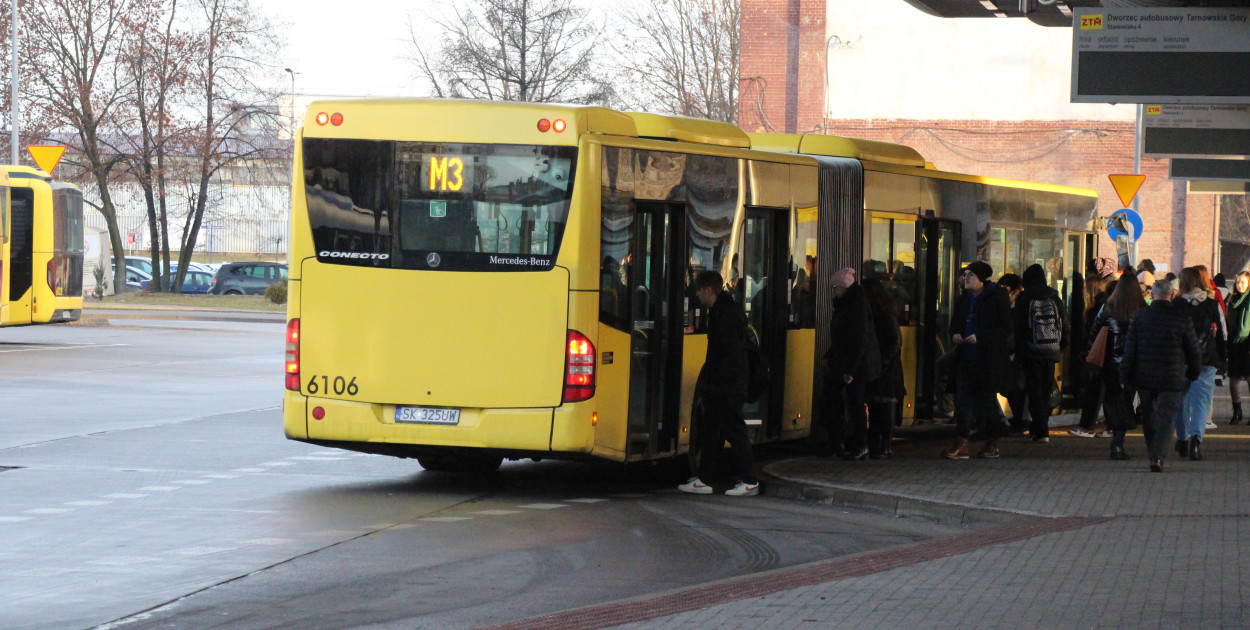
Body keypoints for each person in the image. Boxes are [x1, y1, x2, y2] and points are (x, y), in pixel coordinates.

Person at [679, 270, 759, 496]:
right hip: (723, 383)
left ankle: (749, 480)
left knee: (734, 431)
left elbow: (728, 355)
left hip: (727, 385)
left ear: (709, 291)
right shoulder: (723, 310)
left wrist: (717, 382)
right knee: (711, 431)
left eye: (699, 290)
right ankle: (704, 479)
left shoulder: (724, 315)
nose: (697, 295)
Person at [1121, 279, 1200, 472]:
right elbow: (1193, 349)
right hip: (1172, 376)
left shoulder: (1139, 317)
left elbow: (1129, 350)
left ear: (1152, 295)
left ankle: (1152, 452)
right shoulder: (1181, 317)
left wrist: (1125, 375)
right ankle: (1157, 456)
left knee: (1149, 416)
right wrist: (1193, 371)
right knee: (1166, 417)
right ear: (1172, 294)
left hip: (1145, 376)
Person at [943, 261, 1013, 459]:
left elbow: (1004, 328)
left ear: (982, 280)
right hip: (965, 357)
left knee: (987, 402)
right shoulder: (963, 298)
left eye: (971, 275)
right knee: (962, 400)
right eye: (965, 275)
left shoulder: (997, 297)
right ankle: (962, 442)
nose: (966, 279)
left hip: (988, 360)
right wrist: (956, 334)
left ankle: (992, 442)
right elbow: (955, 323)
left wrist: (981, 337)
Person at [820, 267, 882, 461]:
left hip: (857, 367)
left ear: (844, 287)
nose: (834, 291)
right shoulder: (847, 304)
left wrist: (850, 370)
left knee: (855, 404)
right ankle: (838, 441)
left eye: (835, 287)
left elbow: (859, 341)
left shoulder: (856, 306)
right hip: (843, 362)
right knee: (832, 398)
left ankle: (860, 445)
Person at [1087, 274, 1147, 459]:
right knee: (1127, 399)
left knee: (1113, 399)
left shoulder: (1108, 308)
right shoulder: (1142, 309)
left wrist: (1091, 353)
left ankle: (1115, 434)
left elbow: (1094, 333)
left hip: (1110, 364)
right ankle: (1119, 441)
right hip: (1133, 363)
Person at [1172, 266, 1226, 461]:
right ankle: (1196, 440)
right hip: (1207, 358)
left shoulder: (1176, 304)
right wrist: (1222, 358)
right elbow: (1222, 333)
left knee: (1180, 400)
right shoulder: (1212, 304)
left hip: (1182, 360)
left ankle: (1183, 439)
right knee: (1201, 402)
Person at [1013, 264, 1067, 444]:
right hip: (1051, 350)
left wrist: (1018, 348)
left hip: (1031, 350)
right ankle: (1042, 427)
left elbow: (1018, 325)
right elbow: (1063, 323)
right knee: (1046, 389)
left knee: (1034, 389)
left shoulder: (1025, 297)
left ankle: (1040, 429)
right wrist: (1061, 345)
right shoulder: (1054, 296)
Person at [862, 278, 904, 459]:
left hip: (886, 371)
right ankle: (880, 444)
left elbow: (894, 340)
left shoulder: (884, 315)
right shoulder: (883, 312)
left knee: (882, 408)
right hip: (883, 368)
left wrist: (883, 363)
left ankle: (883, 445)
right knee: (878, 407)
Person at [1071, 272, 1113, 438]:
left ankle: (1088, 426)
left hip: (1099, 355)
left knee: (1096, 390)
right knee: (1103, 391)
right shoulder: (1105, 306)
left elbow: (1093, 333)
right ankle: (1110, 426)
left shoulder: (1097, 308)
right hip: (1105, 355)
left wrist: (1086, 351)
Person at [1227, 272, 1250, 425]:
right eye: (1237, 282)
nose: (1239, 285)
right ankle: (1237, 410)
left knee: (1249, 377)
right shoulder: (1232, 299)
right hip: (1233, 342)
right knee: (1233, 377)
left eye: (1243, 282)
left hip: (1247, 342)